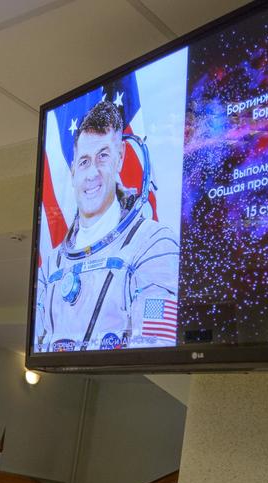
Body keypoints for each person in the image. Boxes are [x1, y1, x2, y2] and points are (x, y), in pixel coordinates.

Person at [36, 99, 180, 352]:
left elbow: (156, 344)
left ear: (120, 157)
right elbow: (39, 341)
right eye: (84, 161)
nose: (92, 173)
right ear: (73, 170)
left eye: (103, 156)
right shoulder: (51, 267)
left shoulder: (154, 245)